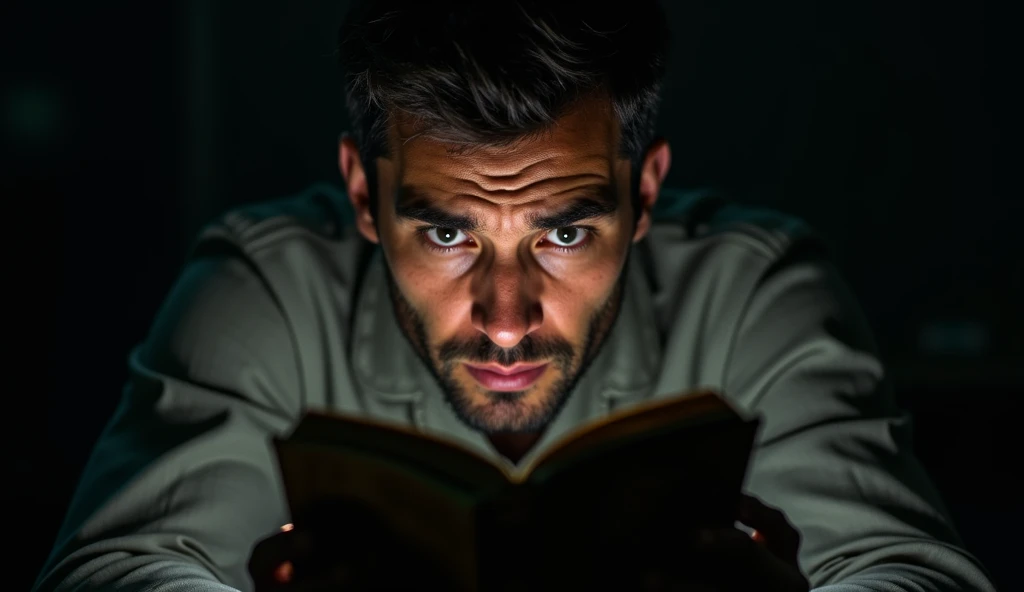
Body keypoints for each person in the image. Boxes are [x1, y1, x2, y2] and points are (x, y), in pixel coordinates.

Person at [34, 0, 996, 591]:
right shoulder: (265, 285)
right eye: (449, 233)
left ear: (644, 193)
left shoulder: (757, 288)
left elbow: (914, 575)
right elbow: (110, 573)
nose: (504, 316)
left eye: (564, 232)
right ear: (365, 195)